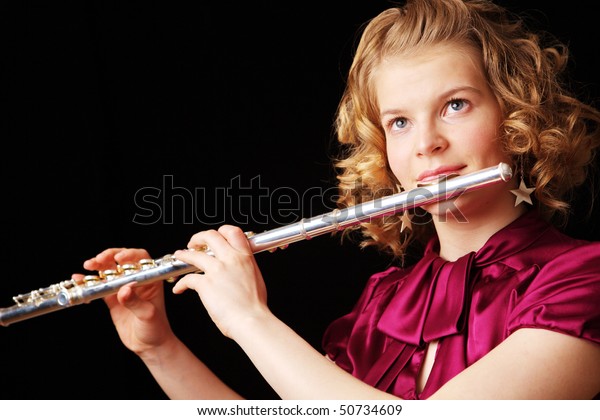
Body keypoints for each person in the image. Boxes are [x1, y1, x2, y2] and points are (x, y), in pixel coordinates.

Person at [75, 0, 600, 399]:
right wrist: (159, 348)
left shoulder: (582, 280)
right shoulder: (386, 299)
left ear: (515, 118)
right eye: (399, 121)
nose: (426, 143)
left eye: (456, 105)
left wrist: (250, 320)